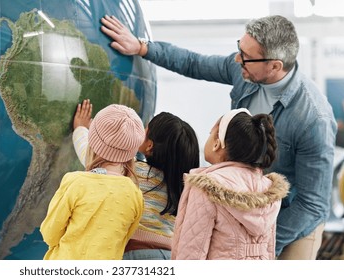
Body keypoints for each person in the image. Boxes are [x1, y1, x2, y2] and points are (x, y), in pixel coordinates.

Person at [100, 14, 337, 259]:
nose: (237, 59)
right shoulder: (245, 70)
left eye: (245, 56)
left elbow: (311, 204)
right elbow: (193, 62)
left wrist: (263, 242)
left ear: (275, 65)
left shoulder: (313, 119)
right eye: (239, 48)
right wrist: (142, 47)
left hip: (290, 219)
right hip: (236, 206)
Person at [73, 99, 200, 259]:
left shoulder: (134, 171)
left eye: (144, 131)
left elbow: (91, 158)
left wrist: (81, 129)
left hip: (135, 252)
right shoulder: (184, 186)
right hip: (168, 256)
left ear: (149, 146)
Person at [172, 108, 290, 259]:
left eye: (210, 134)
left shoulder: (206, 186)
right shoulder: (269, 189)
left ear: (217, 143)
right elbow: (268, 252)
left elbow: (191, 253)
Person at [40, 103, 145, 260]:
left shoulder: (75, 182)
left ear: (92, 143)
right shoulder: (135, 194)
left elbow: (50, 234)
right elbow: (125, 239)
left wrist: (80, 129)